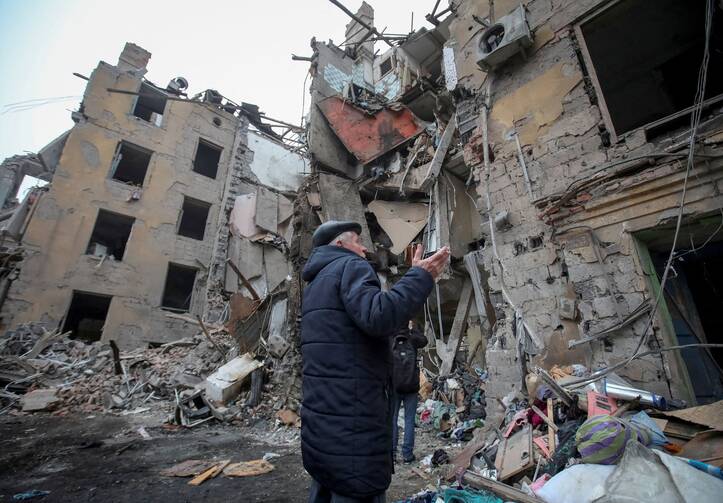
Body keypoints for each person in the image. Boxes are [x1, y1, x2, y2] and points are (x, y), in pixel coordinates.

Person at [301, 220, 449, 503]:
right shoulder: (350, 267)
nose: (364, 247)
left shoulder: (315, 284)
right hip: (353, 432)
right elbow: (378, 317)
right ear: (340, 245)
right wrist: (420, 276)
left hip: (322, 431)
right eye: (358, 240)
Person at [390, 320, 427, 464]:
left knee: (392, 420)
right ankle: (407, 455)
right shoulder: (412, 339)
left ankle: (391, 454)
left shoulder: (390, 339)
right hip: (411, 387)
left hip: (394, 386)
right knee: (409, 420)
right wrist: (414, 329)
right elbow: (424, 340)